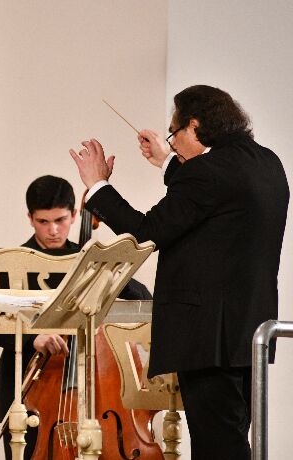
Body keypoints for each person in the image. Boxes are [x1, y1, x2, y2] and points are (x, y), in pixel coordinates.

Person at [69, 84, 289, 459]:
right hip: (248, 331)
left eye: (174, 134)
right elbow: (207, 198)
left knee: (218, 446)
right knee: (232, 436)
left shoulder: (208, 171)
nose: (172, 143)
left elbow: (149, 230)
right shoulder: (266, 162)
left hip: (208, 335)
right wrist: (167, 161)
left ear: (195, 124)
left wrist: (97, 186)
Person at [0, 175, 151, 459]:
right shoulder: (12, 263)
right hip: (26, 388)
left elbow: (142, 299)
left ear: (74, 215)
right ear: (30, 218)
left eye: (60, 220)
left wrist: (111, 267)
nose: (53, 230)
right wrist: (33, 337)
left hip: (91, 390)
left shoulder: (87, 258)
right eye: (43, 222)